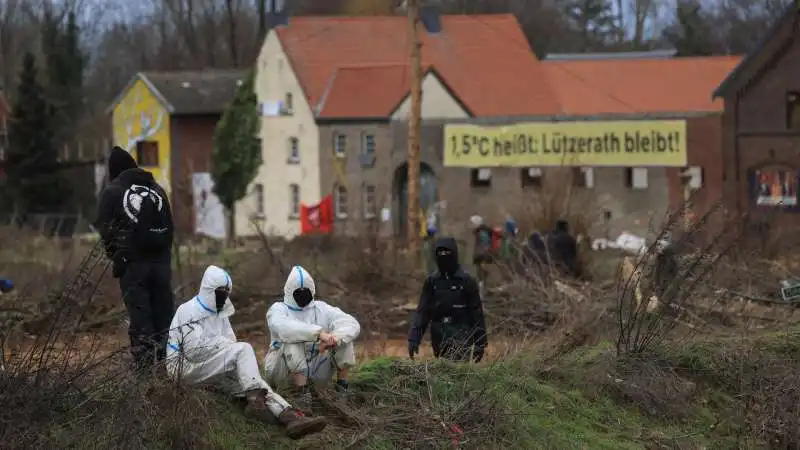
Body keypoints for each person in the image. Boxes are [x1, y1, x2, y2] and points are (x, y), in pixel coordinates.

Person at [167, 265, 327, 440]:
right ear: (208, 289)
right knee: (244, 350)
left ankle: (289, 417)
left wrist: (226, 348)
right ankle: (257, 404)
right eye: (220, 290)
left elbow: (230, 344)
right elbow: (193, 351)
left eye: (227, 290)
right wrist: (223, 344)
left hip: (206, 366)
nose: (224, 294)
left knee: (255, 382)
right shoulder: (189, 310)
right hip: (183, 368)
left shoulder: (220, 314)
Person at [95, 146, 175, 375]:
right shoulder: (157, 190)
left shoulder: (113, 192)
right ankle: (168, 368)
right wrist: (162, 259)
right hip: (161, 264)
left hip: (133, 265)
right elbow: (170, 228)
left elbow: (106, 230)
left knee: (141, 320)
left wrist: (118, 258)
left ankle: (146, 375)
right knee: (164, 316)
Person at [264, 266, 361, 411]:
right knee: (293, 339)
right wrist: (318, 333)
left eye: (306, 291)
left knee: (344, 340)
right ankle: (301, 396)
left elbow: (351, 323)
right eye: (298, 292)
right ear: (290, 291)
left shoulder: (322, 308)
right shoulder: (278, 309)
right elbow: (284, 328)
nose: (302, 295)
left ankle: (342, 389)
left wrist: (333, 339)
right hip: (283, 372)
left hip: (316, 369)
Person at [408, 237, 487, 362]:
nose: (444, 256)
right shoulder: (432, 282)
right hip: (439, 338)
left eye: (447, 253)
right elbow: (422, 312)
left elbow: (476, 313)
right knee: (442, 375)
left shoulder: (466, 281)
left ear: (454, 253)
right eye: (440, 253)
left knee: (459, 374)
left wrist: (480, 343)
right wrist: (414, 339)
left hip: (461, 336)